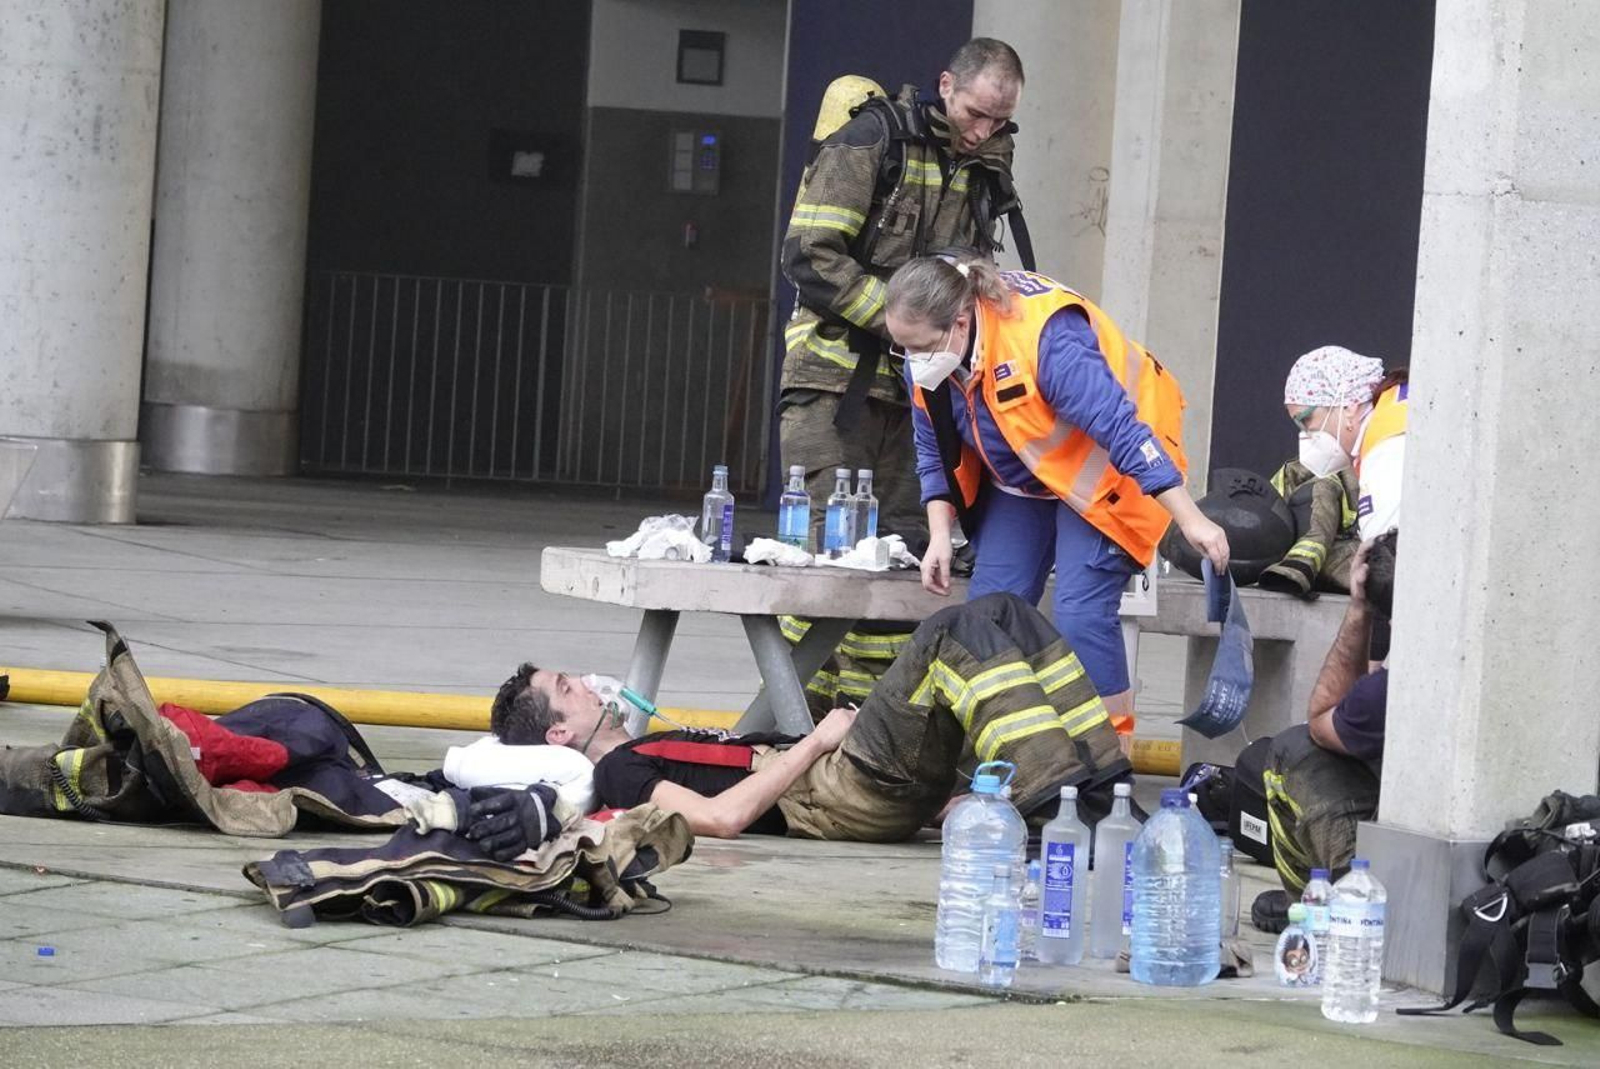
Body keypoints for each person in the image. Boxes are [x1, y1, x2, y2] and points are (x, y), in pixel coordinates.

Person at [882, 255, 1229, 737]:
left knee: (1081, 615)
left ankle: (1108, 753)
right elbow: (932, 448)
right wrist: (940, 534)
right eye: (901, 347)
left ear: (960, 322)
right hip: (1022, 482)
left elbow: (1122, 430)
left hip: (1106, 473)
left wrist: (1191, 518)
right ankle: (1002, 747)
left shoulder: (1046, 341)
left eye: (919, 347)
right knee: (988, 613)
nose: (911, 360)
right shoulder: (927, 358)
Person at [478, 593, 1130, 844]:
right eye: (567, 687)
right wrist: (816, 740)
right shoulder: (620, 772)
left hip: (845, 775)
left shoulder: (647, 744)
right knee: (949, 634)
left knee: (1003, 612)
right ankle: (1052, 807)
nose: (585, 682)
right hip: (833, 786)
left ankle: (1103, 787)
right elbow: (721, 818)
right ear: (560, 733)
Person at [779, 38, 1028, 547]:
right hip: (833, 381)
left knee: (909, 555)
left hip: (923, 393)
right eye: (975, 114)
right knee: (826, 550)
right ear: (946, 85)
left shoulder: (986, 169)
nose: (983, 133)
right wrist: (904, 323)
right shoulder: (874, 139)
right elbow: (808, 255)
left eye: (999, 122)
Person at [1260, 530, 1396, 900]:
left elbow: (1322, 719)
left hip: (1408, 869)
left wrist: (1359, 609)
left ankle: (1329, 902)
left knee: (1293, 750)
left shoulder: (1392, 690)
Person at [1282, 345, 1408, 544]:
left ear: (1349, 405)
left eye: (1306, 419)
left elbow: (1389, 555)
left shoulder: (1386, 453)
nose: (1306, 434)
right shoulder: (1399, 406)